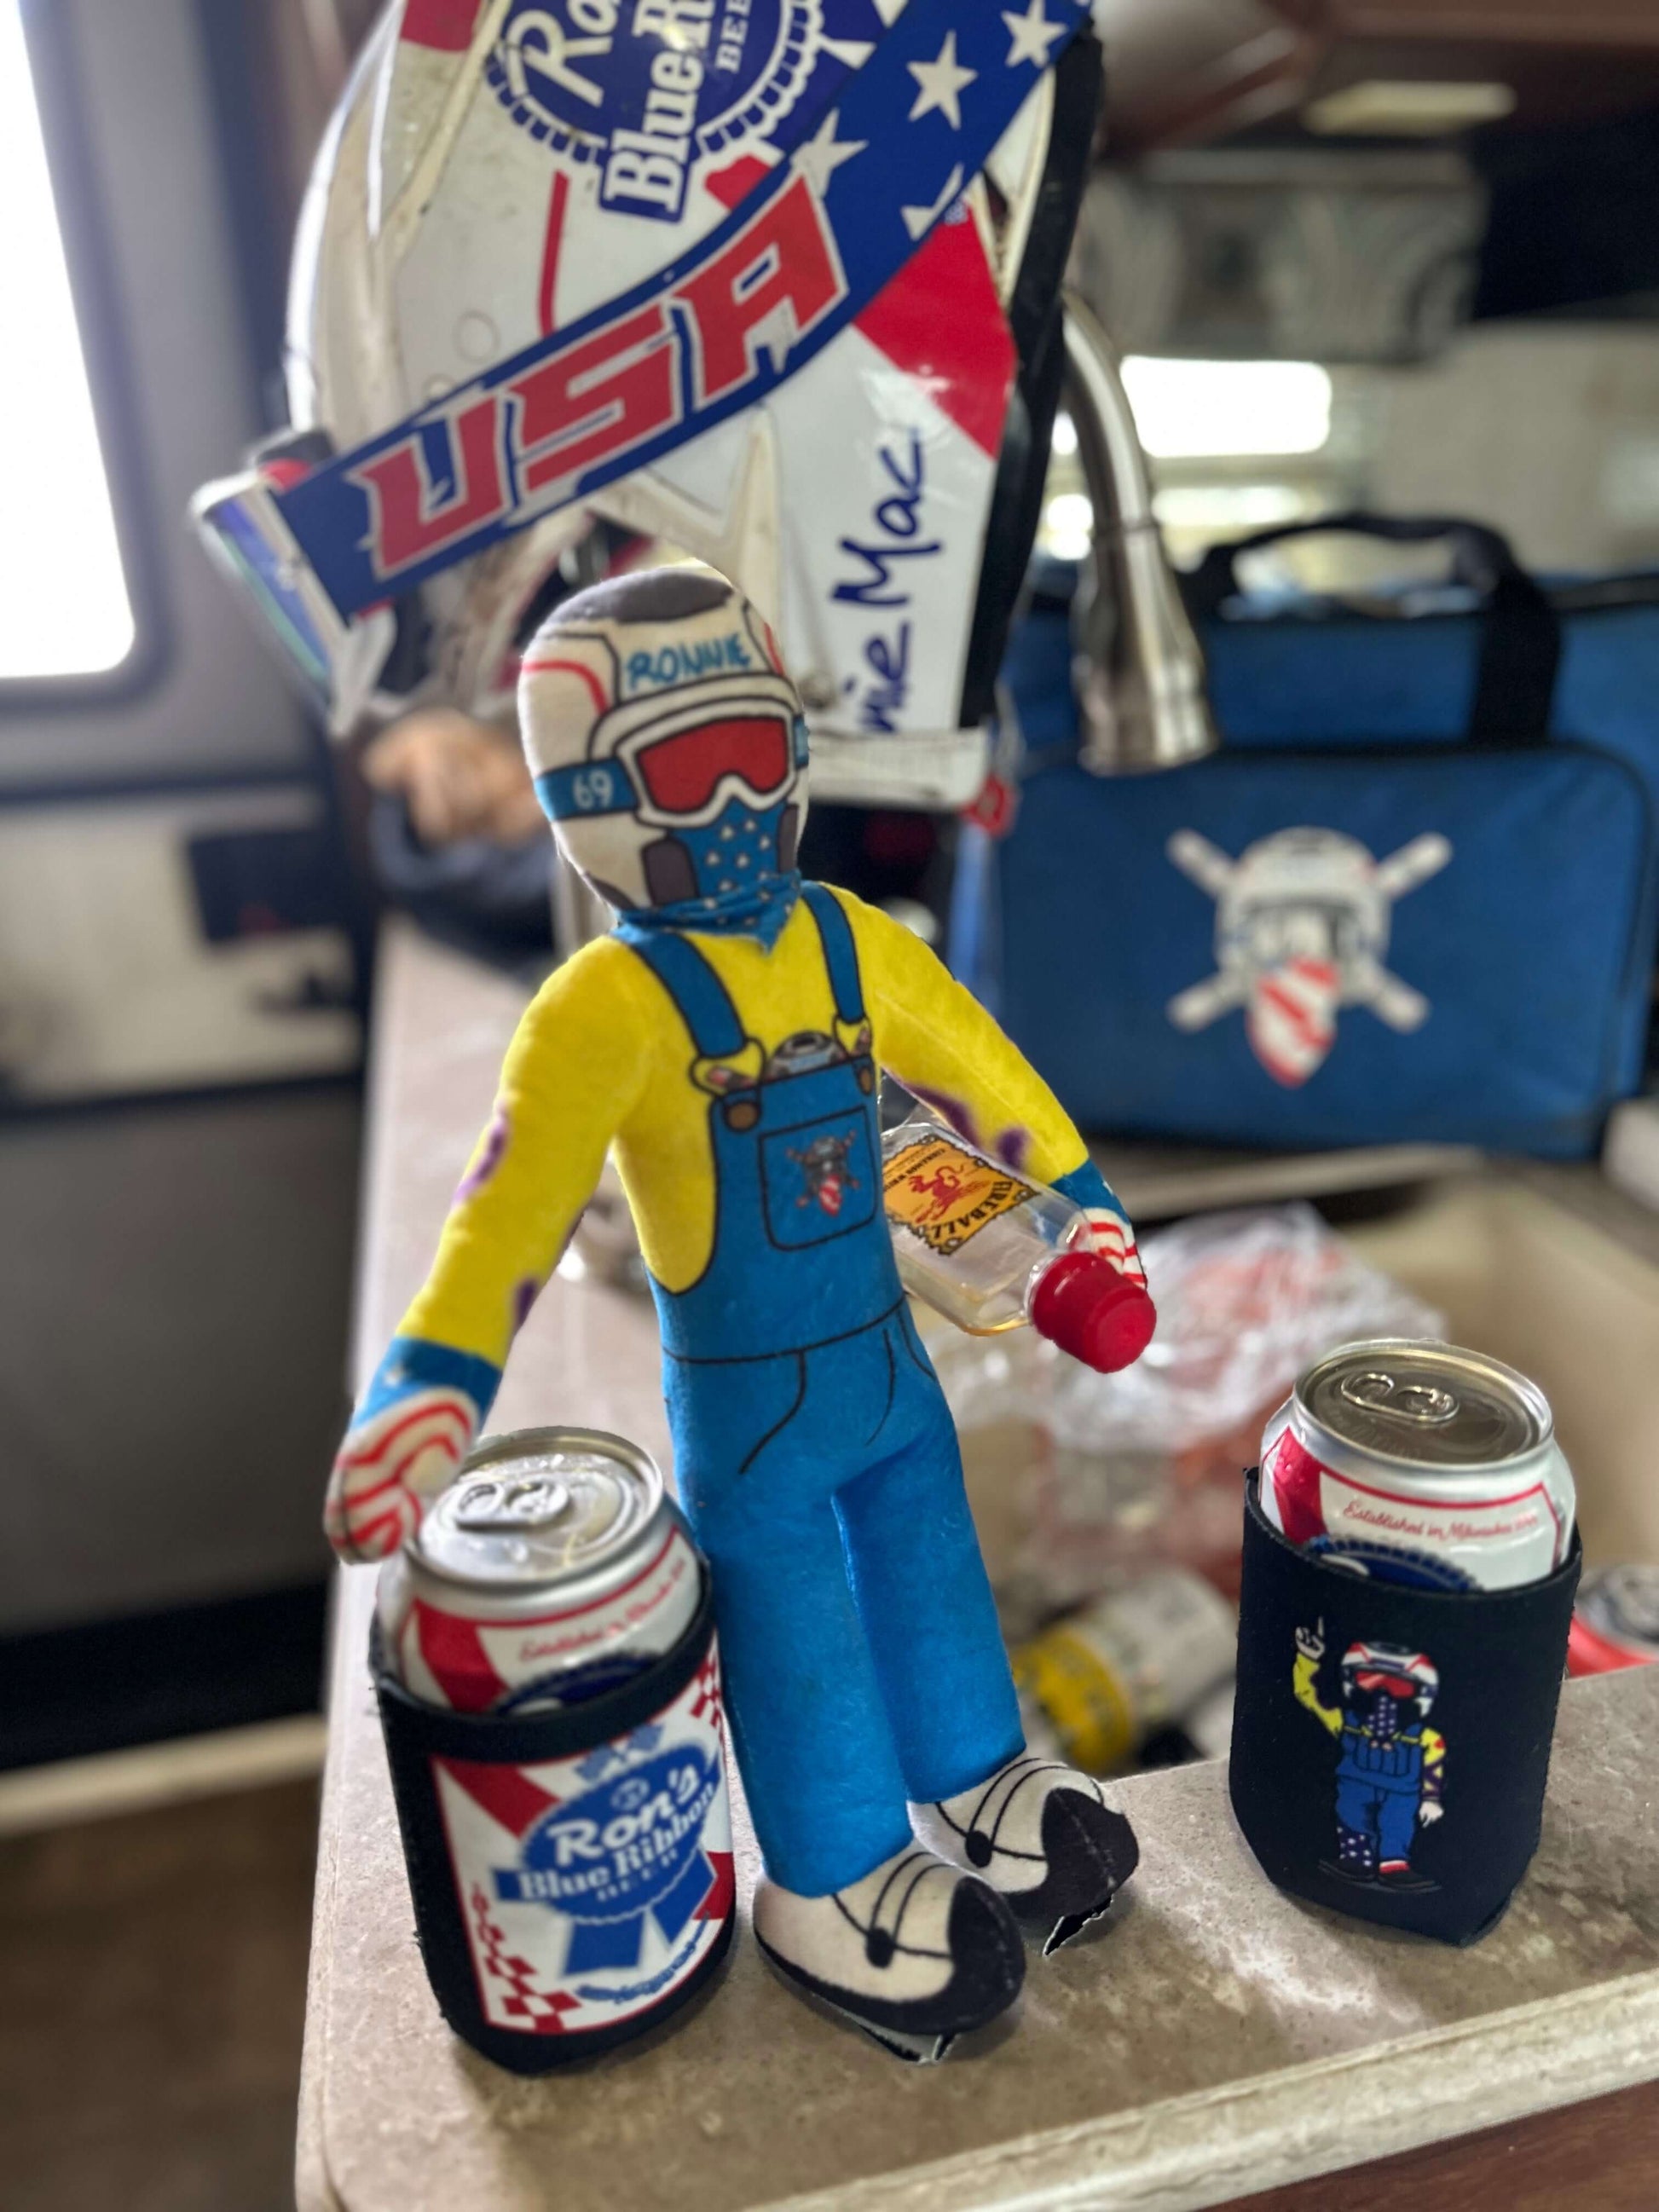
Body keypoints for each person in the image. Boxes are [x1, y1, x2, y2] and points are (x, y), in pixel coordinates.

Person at [324, 564, 1158, 2054]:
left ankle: (975, 1776)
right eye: (677, 770)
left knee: (932, 1570)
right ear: (591, 799)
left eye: (754, 754)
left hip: (893, 1373)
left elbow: (984, 1079)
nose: (728, 806)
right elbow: (501, 1219)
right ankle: (833, 1876)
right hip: (749, 1418)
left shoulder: (850, 941)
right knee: (792, 1630)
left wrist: (1083, 1221)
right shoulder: (599, 1010)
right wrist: (424, 1394)